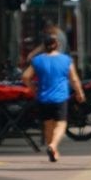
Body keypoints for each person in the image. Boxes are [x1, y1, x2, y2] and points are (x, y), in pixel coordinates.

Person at [22, 34, 85, 162]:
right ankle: (53, 145)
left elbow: (25, 76)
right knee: (61, 124)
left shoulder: (37, 60)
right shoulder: (66, 60)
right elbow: (73, 78)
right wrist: (80, 92)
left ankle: (53, 152)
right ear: (58, 45)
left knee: (48, 124)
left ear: (44, 46)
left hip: (43, 98)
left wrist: (34, 89)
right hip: (60, 98)